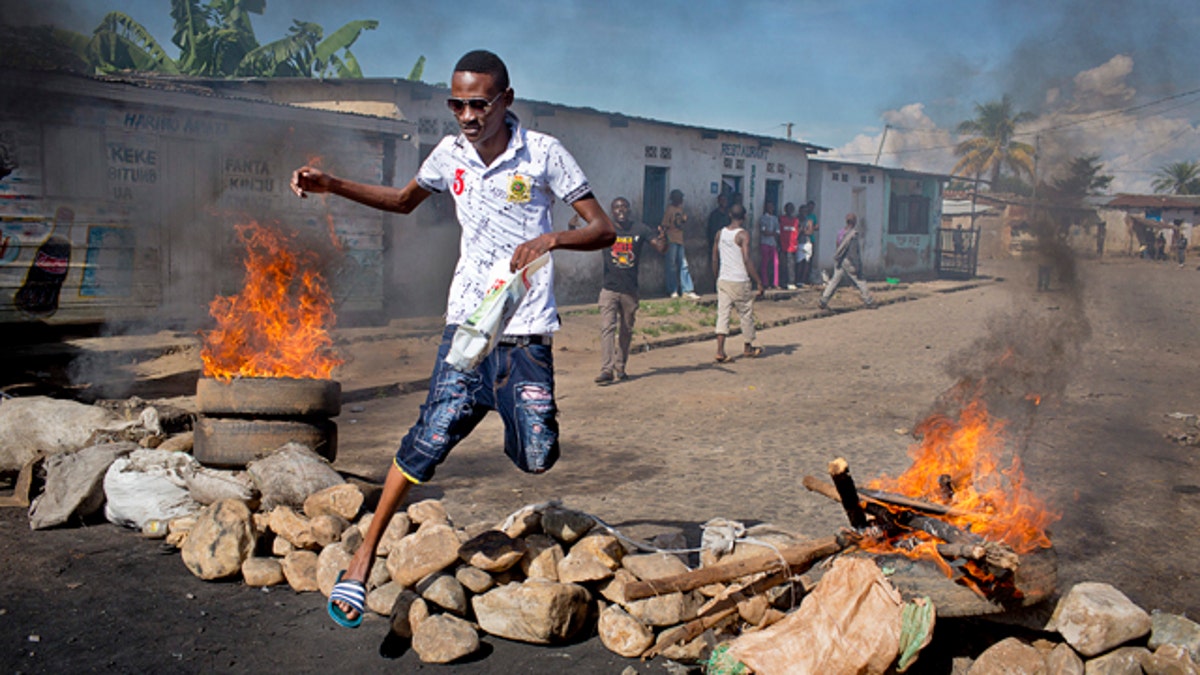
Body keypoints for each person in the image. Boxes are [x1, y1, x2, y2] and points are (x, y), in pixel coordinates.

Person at [290, 49, 616, 629]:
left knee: (538, 456)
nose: (467, 115)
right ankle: (363, 560)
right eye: (457, 103)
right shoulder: (448, 154)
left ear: (505, 102)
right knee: (426, 439)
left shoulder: (544, 154)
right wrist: (331, 184)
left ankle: (494, 403)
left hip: (524, 334)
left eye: (478, 103)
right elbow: (401, 201)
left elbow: (603, 229)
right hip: (467, 326)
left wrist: (551, 242)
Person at [596, 196, 665, 384]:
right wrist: (572, 229)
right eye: (617, 207)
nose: (621, 210)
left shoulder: (640, 229)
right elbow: (584, 240)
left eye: (624, 207)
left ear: (629, 210)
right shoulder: (605, 228)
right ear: (612, 211)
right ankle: (606, 370)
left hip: (630, 290)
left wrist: (662, 239)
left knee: (626, 330)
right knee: (607, 328)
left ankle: (620, 366)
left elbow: (660, 248)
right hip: (609, 288)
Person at [712, 204, 765, 362]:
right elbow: (747, 259)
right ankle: (748, 347)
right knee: (746, 313)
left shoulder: (720, 233)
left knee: (723, 315)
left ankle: (720, 351)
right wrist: (759, 281)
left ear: (729, 214)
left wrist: (716, 277)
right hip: (739, 280)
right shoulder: (743, 235)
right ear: (744, 217)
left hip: (724, 279)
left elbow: (714, 258)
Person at [818, 213, 875, 310]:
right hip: (849, 260)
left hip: (840, 260)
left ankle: (824, 300)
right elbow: (854, 252)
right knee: (860, 279)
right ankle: (868, 301)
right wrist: (857, 265)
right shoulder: (853, 235)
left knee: (835, 281)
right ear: (854, 222)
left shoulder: (840, 233)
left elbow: (837, 245)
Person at [662, 189, 699, 299]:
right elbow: (664, 225)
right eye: (680, 198)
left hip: (680, 240)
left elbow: (682, 221)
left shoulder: (680, 209)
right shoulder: (669, 210)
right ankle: (672, 290)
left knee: (684, 265)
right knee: (671, 266)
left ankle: (687, 289)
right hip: (671, 240)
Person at [758, 200, 780, 290]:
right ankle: (765, 282)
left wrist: (771, 233)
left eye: (772, 207)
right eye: (769, 207)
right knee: (765, 263)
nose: (771, 208)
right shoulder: (763, 218)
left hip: (773, 243)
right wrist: (772, 233)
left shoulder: (775, 219)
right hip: (765, 243)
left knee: (776, 263)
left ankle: (775, 282)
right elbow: (764, 232)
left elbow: (778, 232)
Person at [779, 202, 800, 289]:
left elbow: (798, 231)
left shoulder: (796, 220)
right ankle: (783, 282)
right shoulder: (781, 219)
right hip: (783, 244)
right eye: (788, 208)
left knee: (791, 265)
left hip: (792, 246)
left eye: (791, 209)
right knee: (783, 264)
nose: (790, 210)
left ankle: (791, 282)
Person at [798, 200, 818, 286]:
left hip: (808, 242)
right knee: (799, 262)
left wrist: (802, 231)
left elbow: (810, 231)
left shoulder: (810, 220)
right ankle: (798, 279)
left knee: (807, 261)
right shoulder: (797, 219)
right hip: (799, 242)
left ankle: (804, 279)